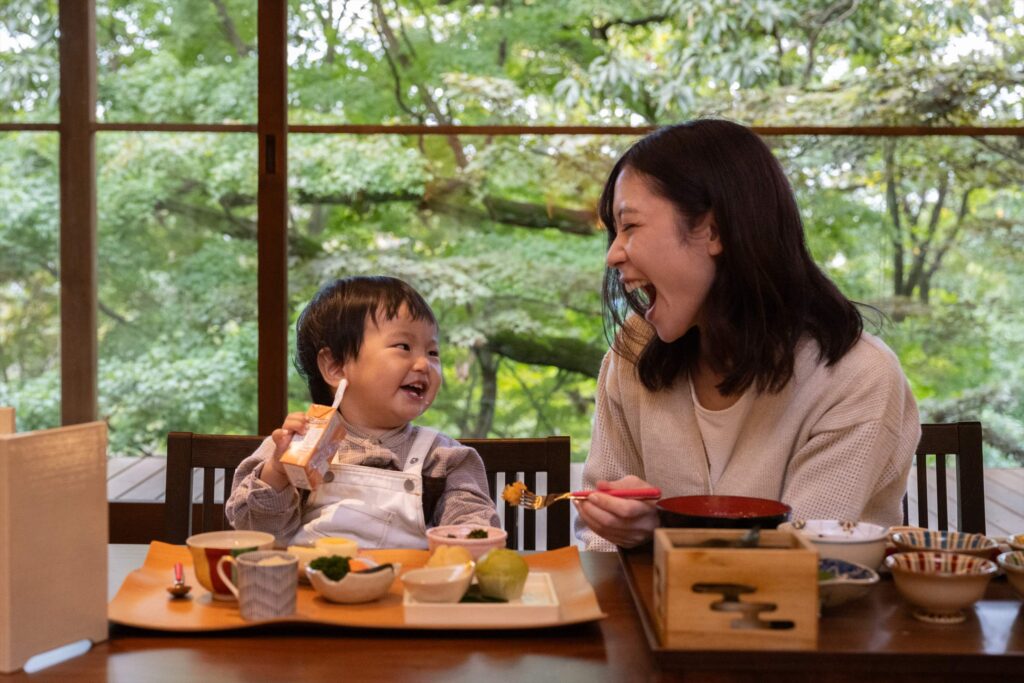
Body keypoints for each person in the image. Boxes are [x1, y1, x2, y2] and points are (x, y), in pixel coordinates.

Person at [575, 119, 920, 551]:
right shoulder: (635, 350)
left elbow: (799, 557)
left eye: (630, 227)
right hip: (650, 613)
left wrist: (659, 532)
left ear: (713, 231)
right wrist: (619, 529)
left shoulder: (856, 376)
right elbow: (598, 541)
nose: (613, 254)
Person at [227, 275, 498, 548]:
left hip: (404, 587)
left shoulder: (443, 458)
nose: (423, 364)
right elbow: (254, 531)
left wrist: (471, 535)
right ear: (335, 367)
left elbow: (473, 529)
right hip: (307, 587)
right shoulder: (293, 445)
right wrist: (277, 473)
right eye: (403, 346)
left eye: (433, 352)